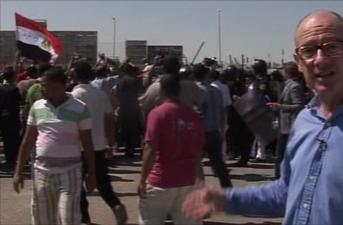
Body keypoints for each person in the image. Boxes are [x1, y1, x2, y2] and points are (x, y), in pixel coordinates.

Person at [183, 10, 343, 225]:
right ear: (298, 61)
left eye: (332, 47)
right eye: (308, 51)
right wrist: (227, 199)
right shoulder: (306, 120)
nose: (319, 59)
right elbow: (287, 192)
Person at [13, 67, 96, 225]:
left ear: (58, 85)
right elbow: (28, 140)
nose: (40, 88)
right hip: (42, 172)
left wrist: (92, 173)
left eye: (44, 85)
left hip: (71, 171)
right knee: (42, 218)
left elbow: (87, 143)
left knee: (69, 218)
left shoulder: (80, 108)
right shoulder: (37, 107)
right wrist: (18, 171)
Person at [137, 72, 205, 225]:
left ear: (161, 90)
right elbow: (197, 151)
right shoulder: (192, 114)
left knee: (150, 219)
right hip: (188, 179)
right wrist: (200, 179)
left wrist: (142, 180)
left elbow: (150, 149)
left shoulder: (157, 114)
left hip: (161, 179)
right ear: (179, 90)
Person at [70, 61, 127, 225]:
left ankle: (84, 216)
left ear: (74, 76)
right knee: (103, 181)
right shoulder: (101, 95)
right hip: (98, 145)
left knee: (77, 184)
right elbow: (109, 120)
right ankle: (115, 205)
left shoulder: (73, 96)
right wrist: (111, 142)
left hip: (77, 146)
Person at [193, 63, 232, 187]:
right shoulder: (216, 90)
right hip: (215, 131)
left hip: (200, 132)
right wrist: (222, 130)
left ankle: (200, 191)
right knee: (219, 165)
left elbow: (198, 113)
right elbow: (222, 112)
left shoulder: (197, 90)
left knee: (196, 164)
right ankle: (229, 191)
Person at [267, 61, 305, 178]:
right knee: (280, 155)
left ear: (287, 72)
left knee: (282, 155)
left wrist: (281, 106)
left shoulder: (294, 86)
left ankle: (281, 178)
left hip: (290, 126)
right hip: (284, 125)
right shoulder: (287, 85)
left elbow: (298, 105)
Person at [0, 67, 21, 170]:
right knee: (14, 139)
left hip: (3, 118)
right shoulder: (14, 89)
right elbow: (18, 103)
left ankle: (9, 159)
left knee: (6, 139)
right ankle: (14, 159)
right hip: (12, 117)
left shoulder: (1, 89)